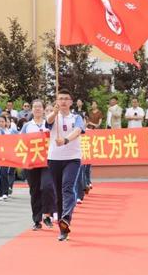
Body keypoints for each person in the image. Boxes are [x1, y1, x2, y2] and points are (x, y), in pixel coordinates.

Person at [46, 89, 85, 241]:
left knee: (67, 187)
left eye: (66, 99)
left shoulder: (77, 117)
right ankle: (63, 229)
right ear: (57, 101)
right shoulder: (53, 116)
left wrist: (66, 140)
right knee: (58, 193)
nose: (63, 101)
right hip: (54, 158)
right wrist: (54, 113)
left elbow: (78, 131)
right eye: (60, 98)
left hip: (72, 158)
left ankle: (66, 218)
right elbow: (48, 122)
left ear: (70, 102)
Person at [21, 99, 56, 230]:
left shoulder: (49, 123)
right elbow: (20, 142)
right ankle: (37, 220)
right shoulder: (27, 126)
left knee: (47, 187)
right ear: (32, 110)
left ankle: (47, 214)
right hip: (32, 162)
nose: (37, 109)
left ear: (43, 109)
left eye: (39, 107)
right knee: (34, 191)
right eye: (35, 107)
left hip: (47, 161)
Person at [84, 101, 103, 192]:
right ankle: (85, 183)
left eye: (95, 103)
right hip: (83, 149)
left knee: (88, 166)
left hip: (93, 139)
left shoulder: (99, 113)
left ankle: (88, 182)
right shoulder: (80, 130)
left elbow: (99, 124)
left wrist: (93, 125)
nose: (93, 105)